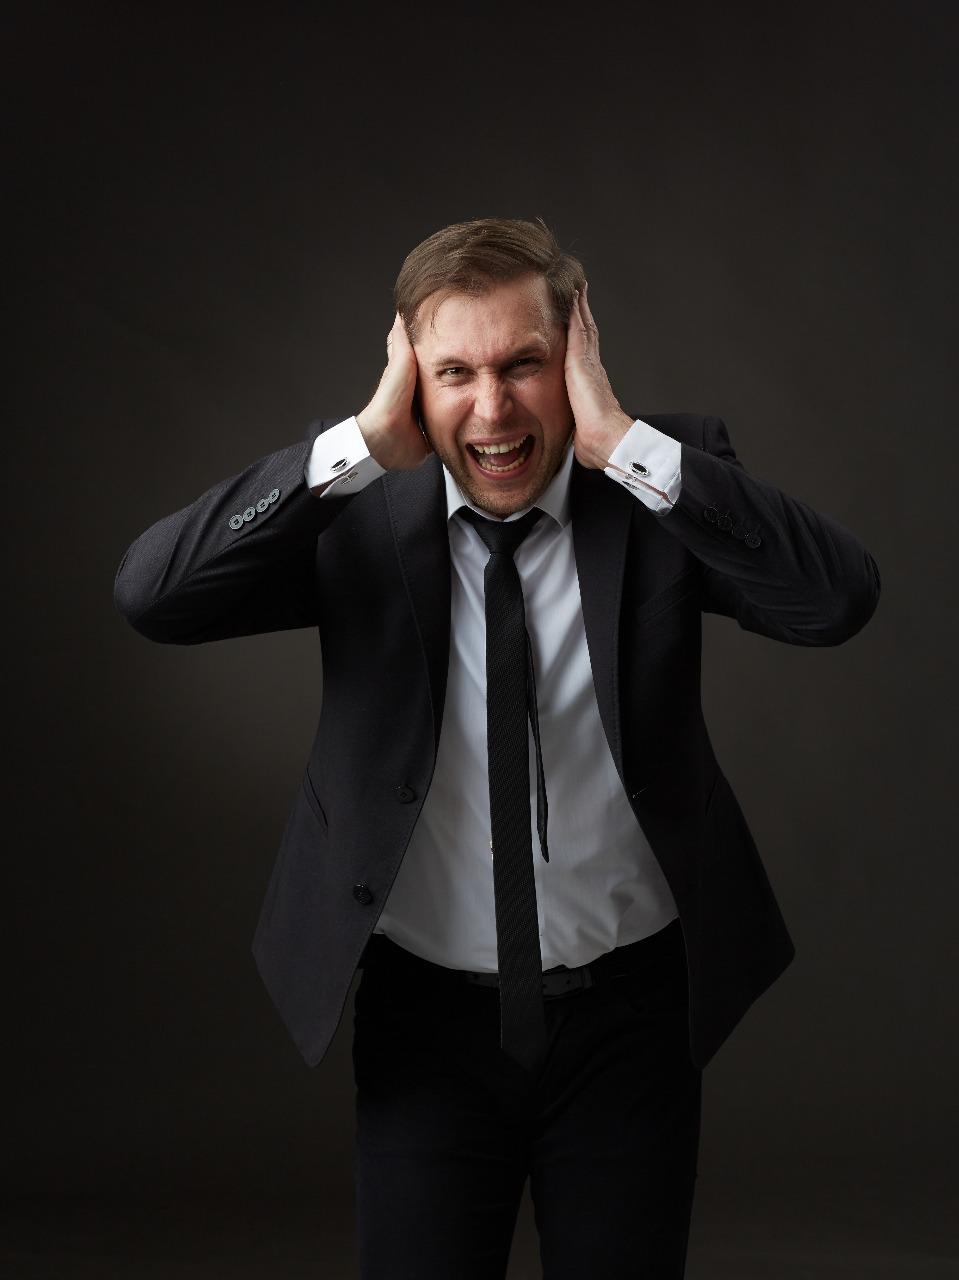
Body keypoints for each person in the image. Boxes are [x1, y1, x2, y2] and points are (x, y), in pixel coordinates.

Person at [114, 217, 881, 1278]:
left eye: (523, 363)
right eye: (454, 372)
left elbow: (835, 602)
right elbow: (152, 596)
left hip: (629, 1019)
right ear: (409, 377)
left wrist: (623, 444)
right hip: (423, 1022)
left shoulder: (657, 482)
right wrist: (356, 446)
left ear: (574, 355)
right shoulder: (354, 505)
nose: (491, 407)